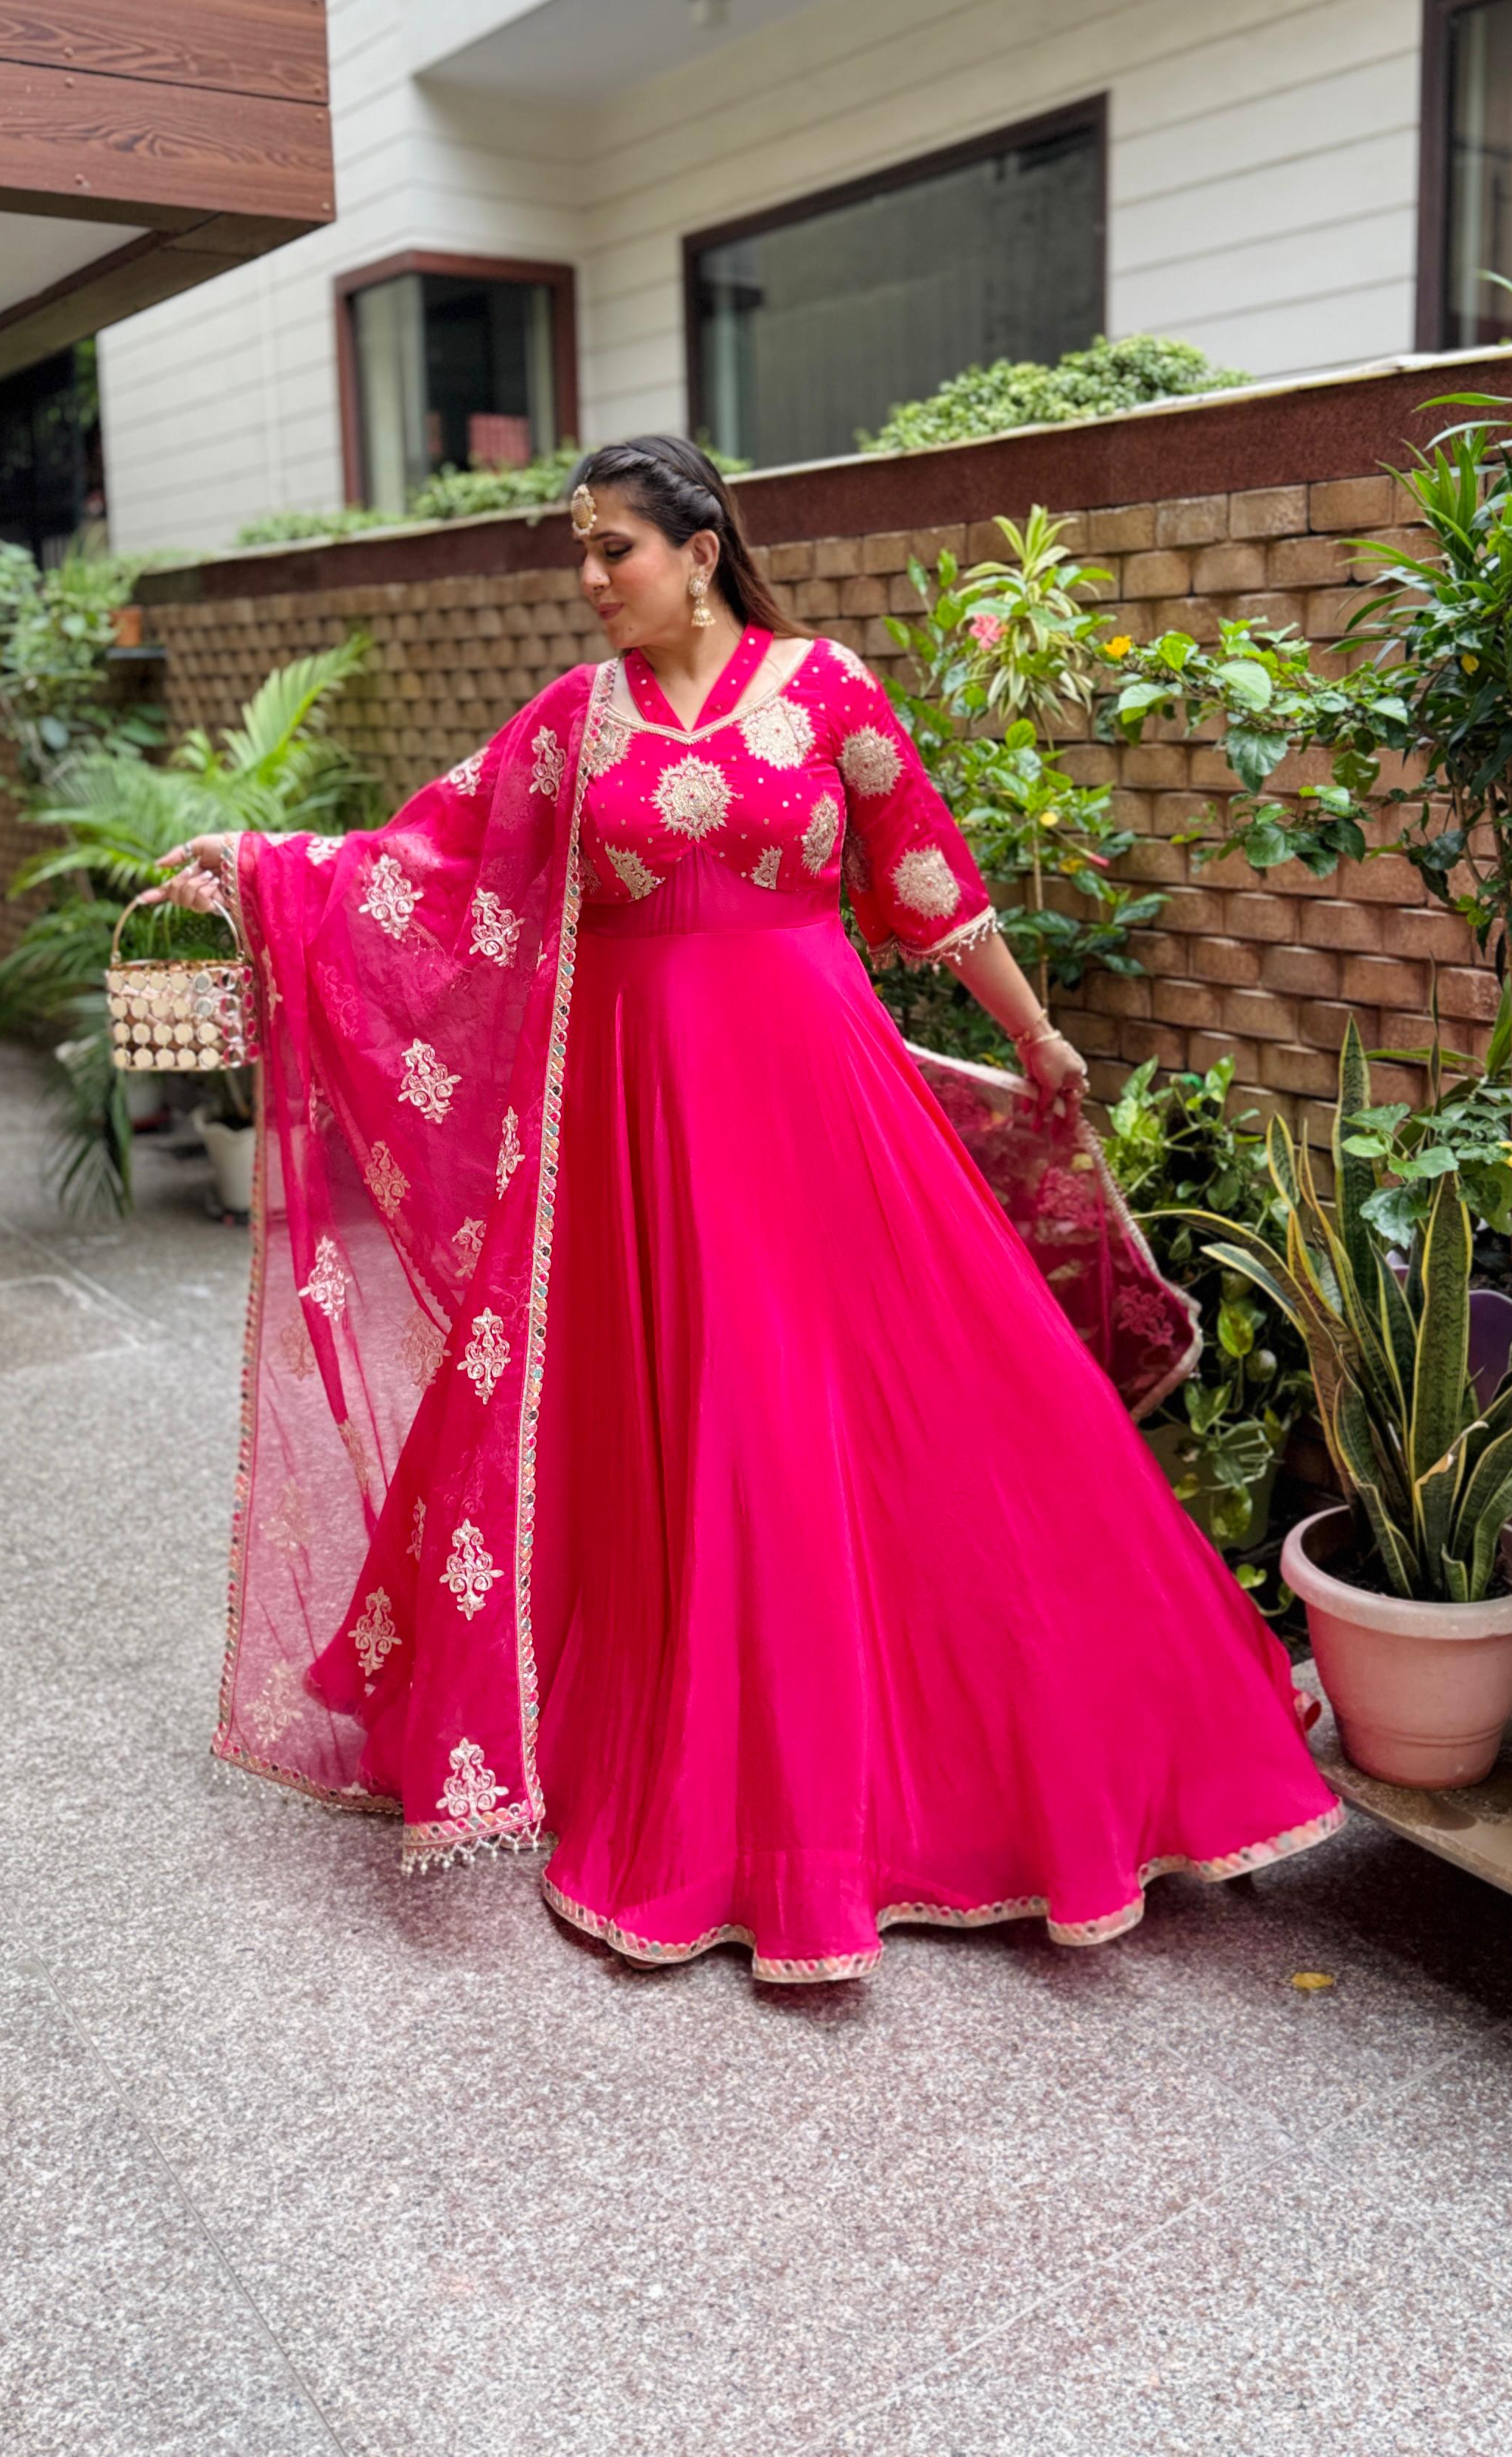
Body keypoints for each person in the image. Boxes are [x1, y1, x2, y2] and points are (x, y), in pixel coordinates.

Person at [162, 435, 1338, 1981]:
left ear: (702, 548)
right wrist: (262, 871)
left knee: (920, 1399)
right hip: (640, 1129)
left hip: (822, 1102)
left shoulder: (828, 692)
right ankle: (718, 1789)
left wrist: (1038, 1037)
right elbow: (430, 857)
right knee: (695, 1420)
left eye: (615, 551)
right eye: (579, 552)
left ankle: (1015, 1760)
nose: (591, 582)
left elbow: (929, 885)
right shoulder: (571, 728)